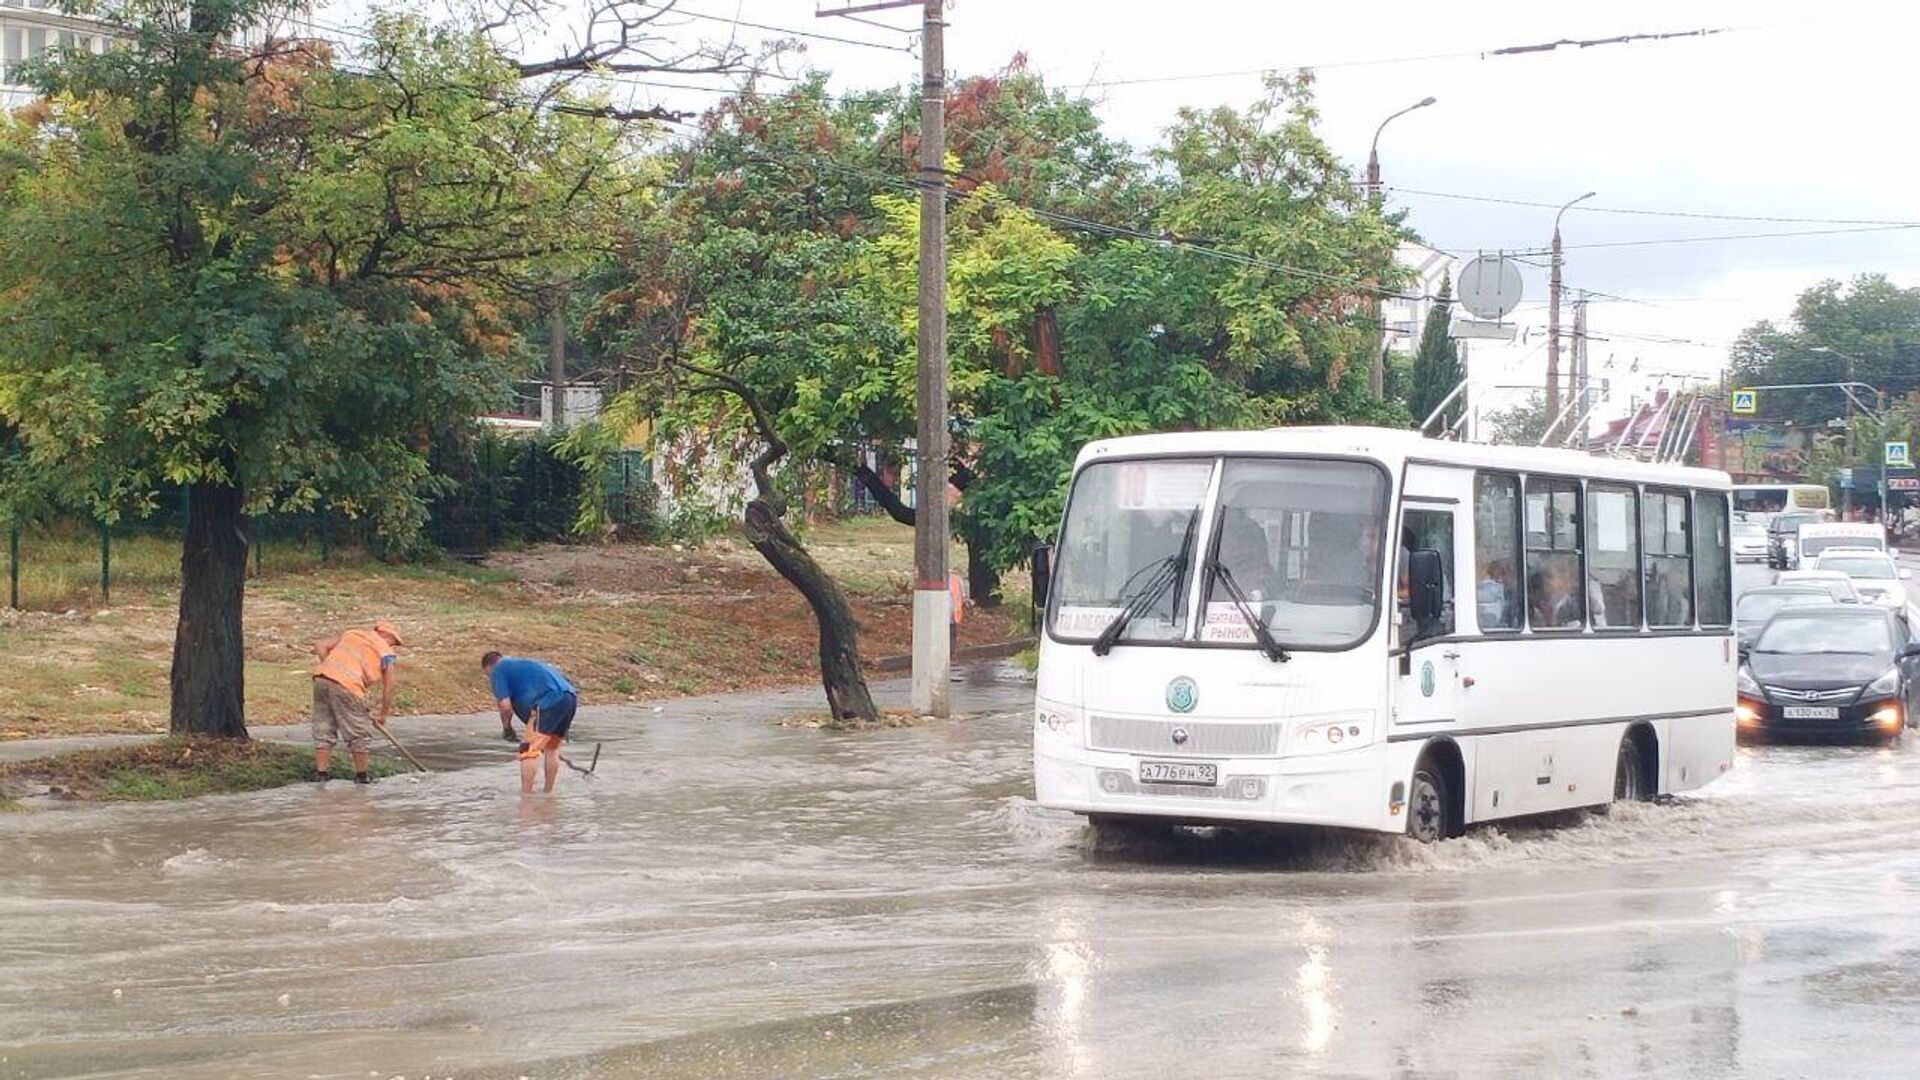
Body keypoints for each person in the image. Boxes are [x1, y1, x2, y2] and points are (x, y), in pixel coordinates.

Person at [310, 621, 404, 784]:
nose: (393, 646)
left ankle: (321, 774)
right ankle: (362, 776)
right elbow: (390, 685)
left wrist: (331, 667)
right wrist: (383, 714)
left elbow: (320, 645)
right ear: (385, 634)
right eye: (394, 642)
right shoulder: (385, 652)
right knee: (358, 732)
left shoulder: (352, 634)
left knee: (323, 727)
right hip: (348, 685)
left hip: (322, 679)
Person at [483, 652, 580, 794]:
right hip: (569, 699)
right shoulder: (525, 663)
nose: (490, 678)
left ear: (489, 667)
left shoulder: (499, 669)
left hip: (547, 702)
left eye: (488, 675)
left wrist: (507, 728)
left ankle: (526, 797)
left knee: (528, 750)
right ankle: (548, 793)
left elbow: (505, 706)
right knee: (552, 748)